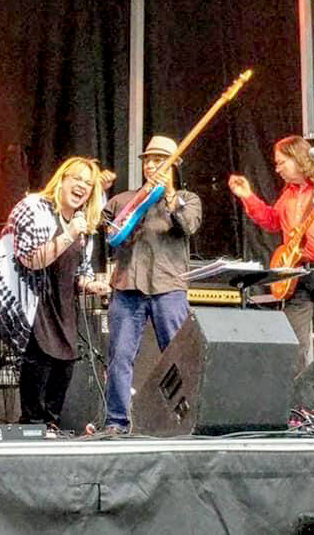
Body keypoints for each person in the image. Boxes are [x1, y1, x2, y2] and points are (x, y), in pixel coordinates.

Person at [0, 157, 115, 427]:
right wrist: (68, 235)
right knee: (39, 361)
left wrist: (90, 284)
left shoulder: (80, 223)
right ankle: (32, 424)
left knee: (65, 366)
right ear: (61, 180)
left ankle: (50, 424)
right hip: (31, 297)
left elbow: (77, 271)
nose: (82, 186)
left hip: (63, 305)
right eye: (76, 179)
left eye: (88, 183)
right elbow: (30, 259)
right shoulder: (33, 207)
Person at [228, 135, 314, 371]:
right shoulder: (290, 193)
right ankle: (299, 403)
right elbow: (273, 221)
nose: (277, 168)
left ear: (298, 158)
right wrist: (247, 196)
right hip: (297, 274)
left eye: (281, 162)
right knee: (293, 342)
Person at [102, 135, 202, 436]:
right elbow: (104, 227)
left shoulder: (188, 199)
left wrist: (170, 195)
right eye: (148, 160)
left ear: (173, 166)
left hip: (168, 287)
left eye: (159, 160)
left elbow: (188, 225)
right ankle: (116, 422)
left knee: (177, 355)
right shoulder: (124, 200)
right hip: (127, 286)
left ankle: (187, 420)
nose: (152, 165)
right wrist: (100, 192)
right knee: (119, 355)